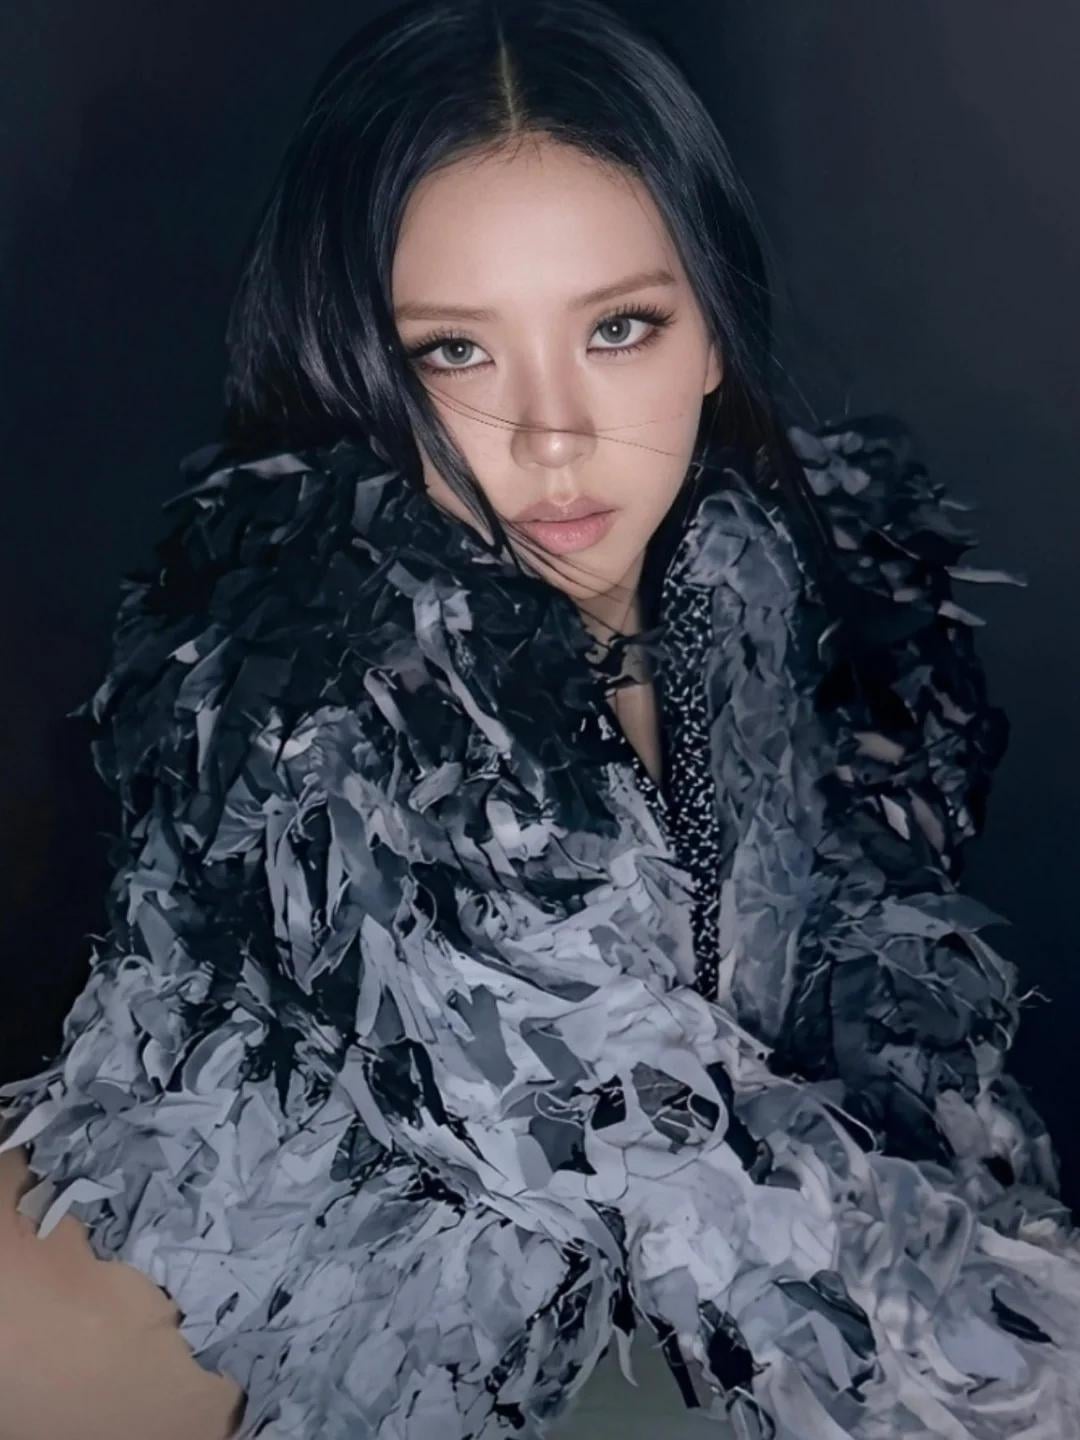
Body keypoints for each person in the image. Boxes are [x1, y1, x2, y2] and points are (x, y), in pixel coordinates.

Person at [2, 1, 1079, 1436]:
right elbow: (689, 1184)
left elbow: (890, 1029)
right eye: (456, 352)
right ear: (358, 372)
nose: (553, 435)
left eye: (619, 327)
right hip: (117, 1366)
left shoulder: (775, 612)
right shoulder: (329, 707)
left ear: (711, 336)